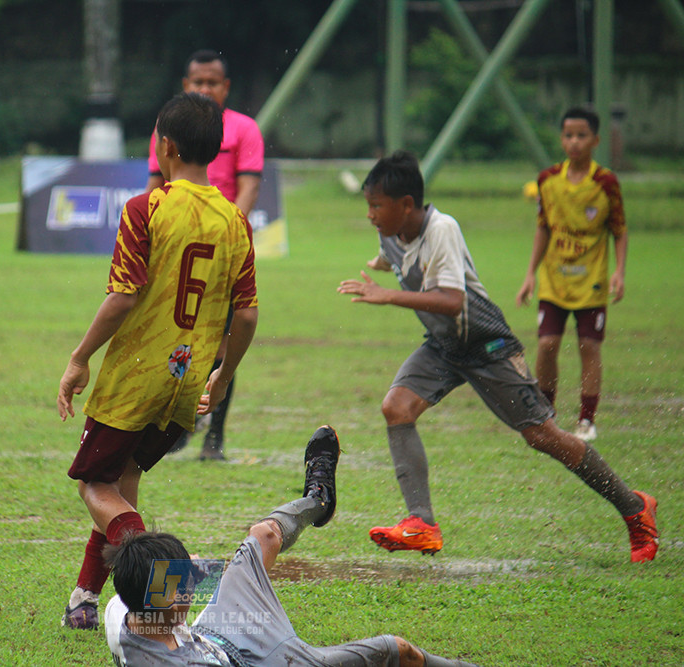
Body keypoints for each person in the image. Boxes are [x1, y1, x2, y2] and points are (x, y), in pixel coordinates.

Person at [337, 151, 658, 563]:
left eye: (376, 206)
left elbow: (453, 302)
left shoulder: (443, 229)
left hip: (486, 345)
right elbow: (394, 257)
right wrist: (380, 264)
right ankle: (422, 524)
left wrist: (387, 295)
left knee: (542, 436)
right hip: (444, 346)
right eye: (368, 205)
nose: (370, 215)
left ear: (407, 205)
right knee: (396, 407)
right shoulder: (389, 233)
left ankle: (635, 509)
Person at [57, 91, 259, 630]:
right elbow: (245, 317)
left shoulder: (145, 208)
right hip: (184, 381)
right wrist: (222, 374)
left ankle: (167, 573)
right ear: (214, 151)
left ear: (164, 146)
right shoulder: (235, 222)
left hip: (135, 376)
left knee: (93, 486)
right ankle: (83, 600)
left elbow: (123, 297)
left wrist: (79, 359)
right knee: (122, 479)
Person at [103, 425, 482, 666]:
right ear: (167, 600)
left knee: (262, 536)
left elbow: (156, 586)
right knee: (394, 650)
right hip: (264, 661)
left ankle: (318, 500)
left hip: (217, 631)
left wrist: (187, 568)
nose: (196, 580)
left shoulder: (127, 607)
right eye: (185, 583)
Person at [146, 49, 265, 461]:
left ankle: (214, 433)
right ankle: (179, 425)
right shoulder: (168, 127)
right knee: (178, 335)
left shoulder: (244, 129)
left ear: (225, 87)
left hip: (223, 249)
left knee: (222, 340)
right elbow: (155, 188)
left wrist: (229, 234)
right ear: (185, 85)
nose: (204, 89)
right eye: (198, 82)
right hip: (180, 248)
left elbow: (248, 187)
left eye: (212, 82)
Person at [516, 106, 628, 443]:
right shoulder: (548, 180)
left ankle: (586, 419)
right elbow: (543, 229)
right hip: (554, 278)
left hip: (591, 280)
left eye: (581, 136)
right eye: (568, 135)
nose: (574, 142)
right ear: (562, 140)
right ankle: (546, 415)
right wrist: (529, 275)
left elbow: (619, 230)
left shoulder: (606, 182)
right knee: (547, 344)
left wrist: (619, 271)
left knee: (588, 346)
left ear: (595, 140)